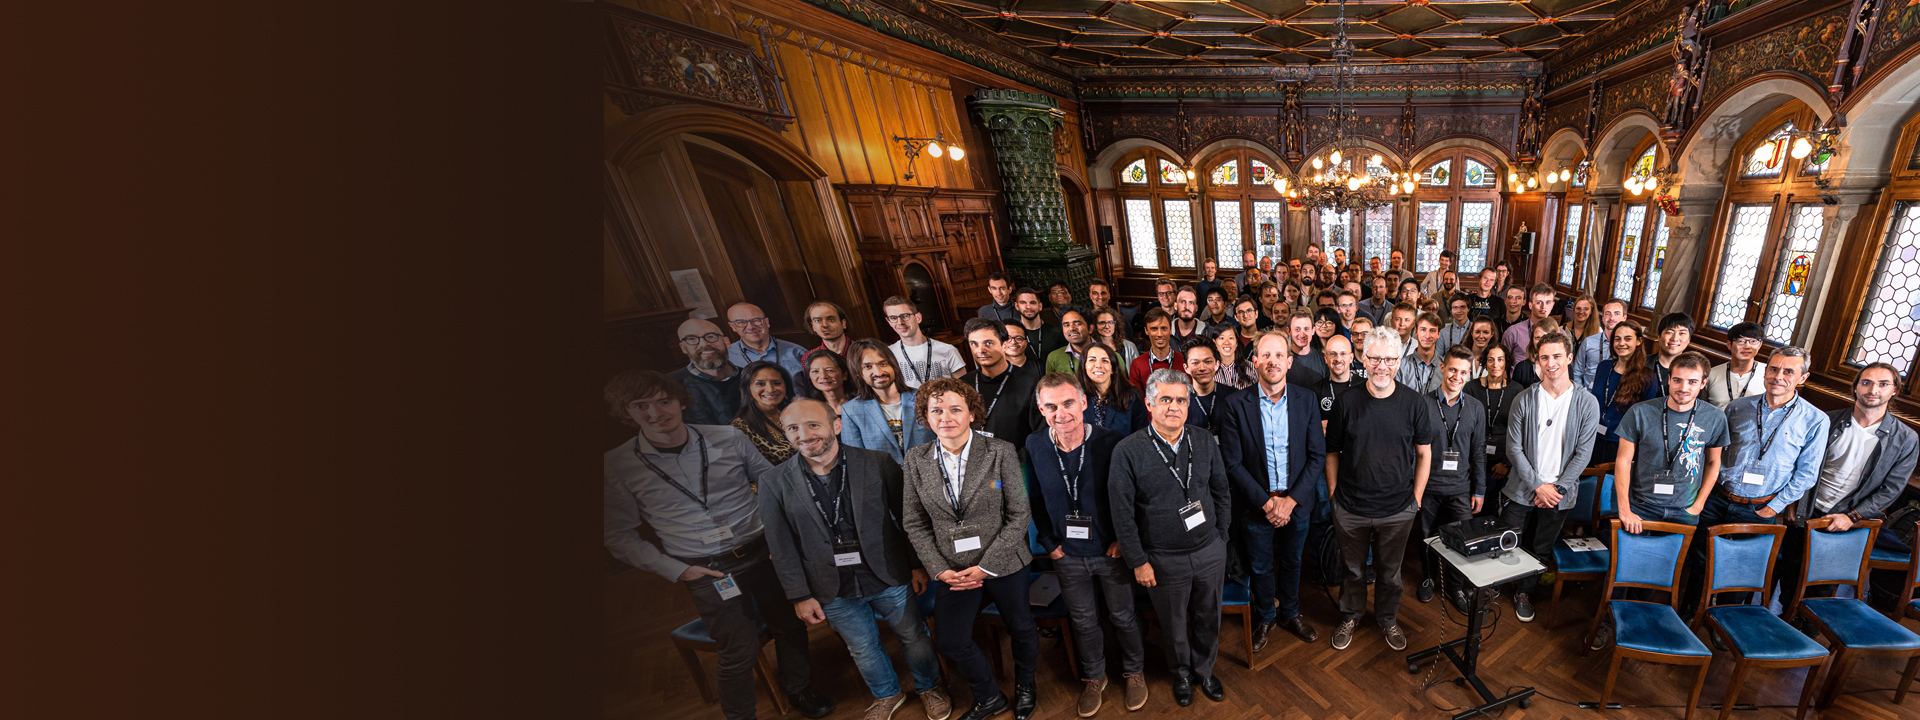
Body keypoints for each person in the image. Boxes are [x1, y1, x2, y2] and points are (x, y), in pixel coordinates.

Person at [603, 370, 835, 720]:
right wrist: (678, 570)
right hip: (708, 569)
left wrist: (783, 538)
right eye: (642, 406)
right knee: (737, 649)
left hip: (763, 551)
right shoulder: (616, 465)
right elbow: (617, 534)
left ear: (680, 401)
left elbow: (771, 484)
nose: (656, 413)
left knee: (789, 626)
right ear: (627, 411)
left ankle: (799, 689)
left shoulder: (728, 438)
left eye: (664, 401)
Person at [761, 399, 952, 720]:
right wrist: (800, 595)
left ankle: (929, 687)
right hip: (829, 584)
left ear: (835, 425)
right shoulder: (773, 482)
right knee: (862, 647)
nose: (804, 435)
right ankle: (888, 695)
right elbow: (780, 545)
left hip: (888, 572)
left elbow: (909, 519)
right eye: (793, 428)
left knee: (913, 635)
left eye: (812, 425)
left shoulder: (877, 462)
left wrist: (916, 564)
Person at [899, 379, 1040, 720]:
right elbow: (914, 523)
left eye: (954, 409)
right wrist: (939, 570)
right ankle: (989, 696)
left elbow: (1019, 514)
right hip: (953, 568)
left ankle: (1025, 685)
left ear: (972, 413)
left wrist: (987, 566)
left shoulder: (1001, 451)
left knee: (1021, 627)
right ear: (925, 417)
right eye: (936, 410)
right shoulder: (916, 460)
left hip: (1004, 561)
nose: (945, 417)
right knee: (950, 642)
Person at [1025, 374, 1150, 715]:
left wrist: (1123, 542)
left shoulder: (1112, 442)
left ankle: (1134, 671)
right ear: (1041, 408)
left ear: (1083, 402)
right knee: (1083, 621)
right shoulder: (1035, 444)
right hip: (1067, 555)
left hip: (1110, 552)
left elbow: (1131, 499)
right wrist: (1050, 544)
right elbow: (1034, 498)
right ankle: (1094, 677)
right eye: (1050, 406)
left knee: (1123, 616)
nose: (1060, 413)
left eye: (1067, 403)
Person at [1108, 369, 1234, 707]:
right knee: (1174, 623)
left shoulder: (1204, 440)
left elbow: (1221, 490)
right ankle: (1181, 673)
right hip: (1162, 557)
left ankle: (1204, 670)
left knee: (1209, 616)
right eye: (1165, 399)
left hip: (1209, 549)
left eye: (1181, 399)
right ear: (1149, 403)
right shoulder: (1128, 450)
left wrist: (1221, 537)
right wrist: (1138, 561)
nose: (1174, 406)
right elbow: (1121, 513)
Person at [1686, 347, 1828, 611]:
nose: (1778, 376)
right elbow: (1714, 453)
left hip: (1759, 506)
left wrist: (1773, 507)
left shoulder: (1815, 420)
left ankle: (1724, 619)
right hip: (1719, 497)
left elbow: (1807, 474)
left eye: (1789, 371)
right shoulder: (1739, 407)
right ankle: (1690, 610)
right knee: (1700, 559)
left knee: (1741, 568)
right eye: (1773, 369)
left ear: (1803, 378)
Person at [1324, 326, 1435, 652]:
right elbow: (1332, 451)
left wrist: (1415, 499)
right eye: (1375, 358)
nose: (1382, 366)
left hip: (1397, 509)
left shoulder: (1414, 404)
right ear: (1363, 358)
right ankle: (1351, 615)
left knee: (1390, 574)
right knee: (1353, 571)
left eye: (1389, 359)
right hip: (1351, 507)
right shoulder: (1346, 402)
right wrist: (1333, 496)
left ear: (1399, 361)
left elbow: (1424, 453)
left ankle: (1388, 619)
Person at [1777, 362, 1919, 611]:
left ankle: (1810, 626)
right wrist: (1791, 502)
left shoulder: (1906, 439)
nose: (1873, 389)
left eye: (1882, 384)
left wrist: (1853, 516)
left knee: (1824, 582)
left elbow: (1891, 489)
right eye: (1866, 382)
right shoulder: (1827, 421)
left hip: (1850, 519)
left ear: (1894, 390)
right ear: (1855, 389)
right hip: (1807, 509)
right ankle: (1782, 621)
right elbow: (1799, 463)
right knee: (1790, 571)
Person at [1220, 330, 1327, 651]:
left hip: (1297, 503)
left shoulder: (1305, 400)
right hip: (1256, 506)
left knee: (1294, 562)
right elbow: (1233, 464)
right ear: (1254, 362)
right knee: (1261, 565)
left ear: (1290, 362)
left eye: (1279, 355)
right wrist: (1268, 504)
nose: (1272, 361)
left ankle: (1291, 613)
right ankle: (1266, 615)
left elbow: (1317, 455)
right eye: (1265, 355)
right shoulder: (1235, 404)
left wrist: (1289, 502)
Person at [1497, 331, 1599, 623]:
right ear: (1536, 361)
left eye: (1557, 356)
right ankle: (1497, 584)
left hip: (1558, 494)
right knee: (1508, 539)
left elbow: (1583, 453)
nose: (1551, 363)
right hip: (1522, 488)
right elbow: (1513, 449)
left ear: (1569, 358)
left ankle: (1524, 592)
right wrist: (1537, 486)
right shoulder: (1524, 398)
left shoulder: (1586, 402)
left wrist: (1556, 488)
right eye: (1544, 357)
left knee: (1540, 547)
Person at [1613, 351, 1726, 535]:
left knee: (1672, 564)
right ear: (1669, 379)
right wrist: (1624, 509)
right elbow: (1623, 461)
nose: (1683, 388)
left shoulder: (1715, 417)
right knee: (1634, 560)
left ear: (1703, 383)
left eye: (1692, 382)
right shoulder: (1640, 412)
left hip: (1685, 509)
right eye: (1677, 380)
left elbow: (1713, 462)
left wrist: (1698, 505)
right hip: (1642, 506)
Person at [1419, 346, 1488, 613]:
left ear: (1468, 375)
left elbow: (1479, 451)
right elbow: (1414, 452)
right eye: (1453, 370)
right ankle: (1428, 577)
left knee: (1462, 541)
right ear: (1442, 368)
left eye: (1463, 372)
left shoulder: (1476, 408)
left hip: (1461, 488)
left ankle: (1456, 586)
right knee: (1426, 537)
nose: (1457, 377)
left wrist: (1479, 490)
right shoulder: (1423, 404)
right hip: (1428, 487)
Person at [841, 339, 935, 464]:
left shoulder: (925, 398)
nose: (879, 372)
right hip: (885, 481)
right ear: (858, 373)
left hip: (930, 476)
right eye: (868, 366)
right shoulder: (851, 411)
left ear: (894, 366)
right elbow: (856, 461)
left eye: (883, 364)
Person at [960, 319, 1044, 443]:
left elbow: (1040, 432)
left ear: (1004, 345)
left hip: (1017, 459)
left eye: (988, 343)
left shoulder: (1030, 382)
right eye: (974, 344)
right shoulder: (962, 384)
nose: (980, 350)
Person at [1465, 344, 1524, 512]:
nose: (1495, 364)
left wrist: (1506, 463)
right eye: (1490, 360)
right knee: (1475, 508)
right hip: (1476, 458)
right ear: (1485, 362)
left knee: (1498, 508)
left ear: (1507, 362)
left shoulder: (1516, 390)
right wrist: (1470, 461)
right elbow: (1467, 427)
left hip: (1505, 459)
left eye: (1500, 359)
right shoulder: (1471, 388)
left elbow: (1519, 431)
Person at [1591, 322, 1657, 463]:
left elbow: (1646, 420)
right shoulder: (1603, 367)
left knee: (1610, 484)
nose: (1621, 343)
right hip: (1593, 437)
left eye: (1628, 339)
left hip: (1621, 444)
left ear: (1639, 341)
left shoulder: (1647, 377)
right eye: (1617, 339)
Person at [672, 317, 744, 426]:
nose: (704, 344)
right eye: (692, 339)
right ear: (683, 348)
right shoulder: (670, 385)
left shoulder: (754, 377)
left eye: (711, 336)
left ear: (727, 342)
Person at [885, 296, 967, 390]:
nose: (900, 322)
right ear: (889, 322)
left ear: (918, 318)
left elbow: (963, 390)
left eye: (905, 316)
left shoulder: (948, 350)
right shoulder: (887, 354)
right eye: (893, 318)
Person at [731, 361, 798, 467]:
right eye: (760, 384)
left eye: (776, 383)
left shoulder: (796, 414)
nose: (770, 389)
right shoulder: (739, 429)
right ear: (748, 388)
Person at [727, 302, 809, 379]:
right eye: (741, 322)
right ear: (732, 326)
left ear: (767, 322)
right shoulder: (727, 358)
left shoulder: (797, 352)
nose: (750, 327)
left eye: (756, 320)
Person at [1078, 342, 1136, 437]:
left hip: (1122, 451)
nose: (1098, 365)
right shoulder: (1076, 397)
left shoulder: (1132, 395)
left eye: (1105, 361)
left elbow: (1141, 434)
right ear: (1084, 366)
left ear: (1112, 368)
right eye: (1092, 360)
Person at [1702, 322, 1765, 409]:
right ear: (1729, 344)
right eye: (1741, 341)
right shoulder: (1711, 374)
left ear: (1760, 345)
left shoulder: (1768, 374)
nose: (1747, 346)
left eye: (1753, 341)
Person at [1180, 337, 1236, 434]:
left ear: (1217, 364)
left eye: (1208, 361)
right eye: (1195, 363)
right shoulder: (1179, 400)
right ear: (1186, 368)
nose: (1202, 368)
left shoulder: (1234, 397)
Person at [1312, 335, 1363, 431]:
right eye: (1333, 354)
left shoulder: (1365, 386)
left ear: (1351, 357)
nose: (1338, 359)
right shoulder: (1316, 390)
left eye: (1343, 353)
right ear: (1326, 358)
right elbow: (1315, 428)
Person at [1574, 299, 1628, 389]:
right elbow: (1577, 373)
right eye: (1608, 313)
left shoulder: (1628, 346)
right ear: (1602, 318)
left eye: (1617, 313)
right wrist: (1582, 394)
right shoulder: (1588, 342)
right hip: (1589, 394)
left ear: (1624, 318)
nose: (1612, 318)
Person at [1128, 309, 1185, 390]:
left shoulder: (1183, 362)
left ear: (1170, 330)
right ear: (1146, 331)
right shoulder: (1137, 365)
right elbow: (1136, 401)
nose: (1159, 334)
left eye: (1164, 328)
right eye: (1154, 329)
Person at [1501, 284, 1554, 360]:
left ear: (1553, 305)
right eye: (1539, 302)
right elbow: (1502, 365)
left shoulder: (1560, 333)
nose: (1543, 307)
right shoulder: (1513, 332)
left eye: (1548, 302)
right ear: (1530, 305)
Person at [1649, 312, 1694, 398]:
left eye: (1682, 333)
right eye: (1669, 332)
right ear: (1659, 337)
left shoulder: (1693, 371)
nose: (1675, 338)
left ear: (1689, 339)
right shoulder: (1641, 364)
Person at [1013, 288, 1065, 362]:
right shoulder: (1012, 335)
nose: (1028, 307)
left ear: (1040, 306)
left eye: (1032, 303)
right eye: (1023, 303)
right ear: (1017, 306)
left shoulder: (1056, 332)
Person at [1397, 312, 1445, 394]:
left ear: (1438, 334)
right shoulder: (1401, 366)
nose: (1427, 336)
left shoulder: (1445, 367)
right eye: (1423, 330)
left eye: (1432, 331)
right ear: (1416, 332)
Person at [1508, 317, 1559, 386]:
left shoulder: (1564, 367)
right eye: (1537, 338)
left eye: (1545, 337)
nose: (1541, 342)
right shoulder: (1521, 368)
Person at [800, 348, 852, 416]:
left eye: (830, 370)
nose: (823, 376)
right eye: (815, 371)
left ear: (844, 375)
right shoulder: (808, 410)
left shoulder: (861, 404)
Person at [1045, 308, 1094, 375]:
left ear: (1090, 328)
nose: (1071, 328)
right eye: (1066, 325)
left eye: (1077, 324)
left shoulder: (1107, 353)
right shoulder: (1054, 358)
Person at [1286, 310, 1329, 385]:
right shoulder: (1282, 360)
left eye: (1306, 329)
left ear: (1313, 331)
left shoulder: (1323, 360)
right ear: (1288, 331)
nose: (1302, 335)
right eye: (1297, 329)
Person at [1170, 286, 1211, 350]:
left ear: (1196, 308)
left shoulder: (1208, 332)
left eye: (1191, 303)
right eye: (1183, 302)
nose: (1187, 307)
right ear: (1175, 306)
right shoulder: (1165, 330)